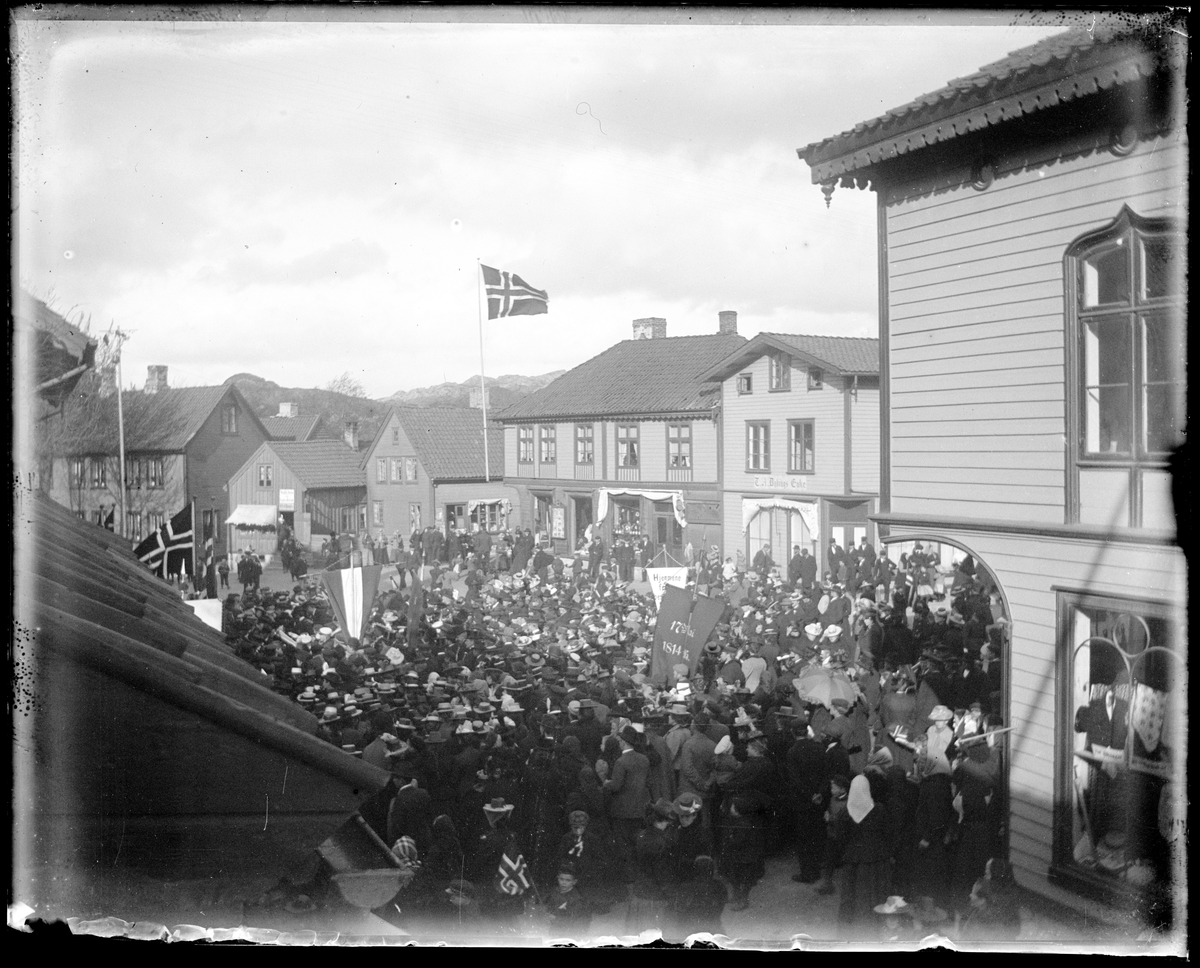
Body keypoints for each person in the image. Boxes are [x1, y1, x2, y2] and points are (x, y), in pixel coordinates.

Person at [833, 774, 892, 934]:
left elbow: (840, 838)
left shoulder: (845, 812)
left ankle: (850, 929)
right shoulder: (879, 809)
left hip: (853, 858)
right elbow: (887, 833)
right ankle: (873, 927)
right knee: (873, 893)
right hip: (876, 857)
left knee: (851, 894)